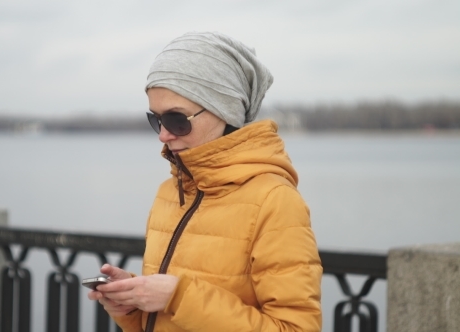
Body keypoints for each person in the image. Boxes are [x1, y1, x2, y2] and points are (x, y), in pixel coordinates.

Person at [87, 31, 322, 332]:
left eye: (177, 120)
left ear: (224, 111)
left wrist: (178, 296)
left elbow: (296, 328)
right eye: (156, 119)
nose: (163, 134)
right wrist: (134, 303)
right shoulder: (170, 192)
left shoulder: (275, 200)